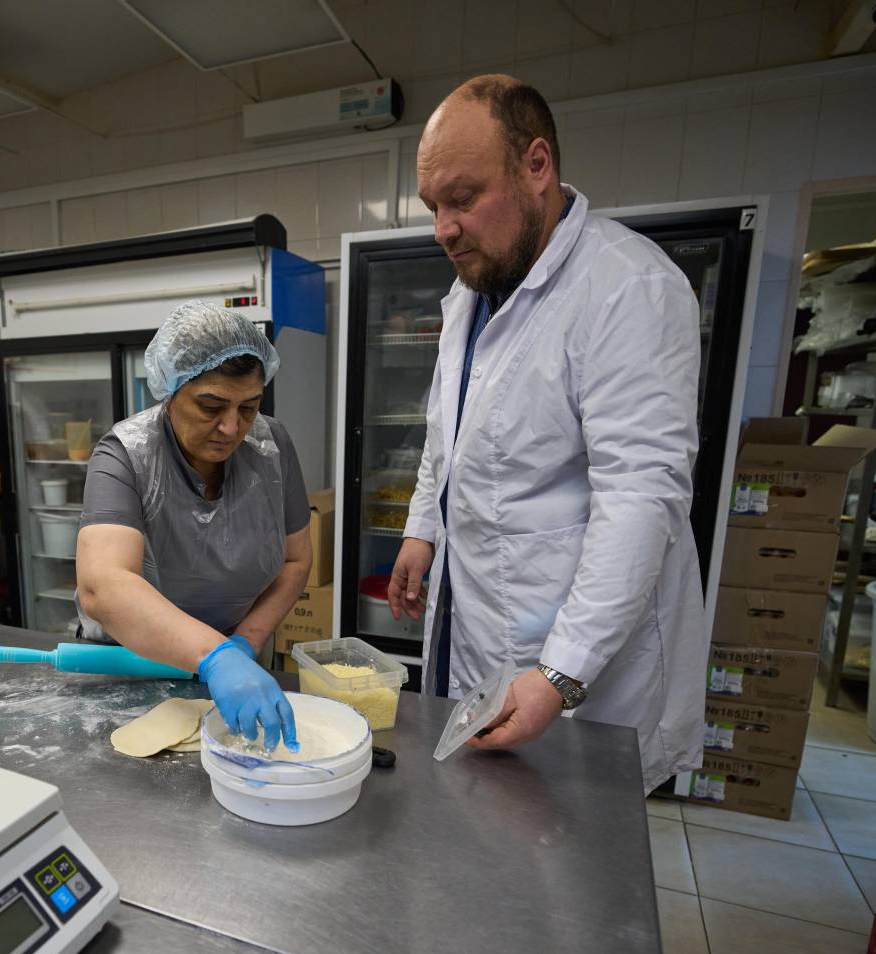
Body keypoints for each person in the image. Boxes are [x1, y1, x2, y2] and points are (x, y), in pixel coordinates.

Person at [388, 75, 706, 792]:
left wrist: (562, 671)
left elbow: (640, 497)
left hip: (583, 666)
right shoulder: (472, 293)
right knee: (493, 837)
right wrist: (420, 529)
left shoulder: (627, 288)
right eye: (434, 206)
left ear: (537, 167)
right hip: (485, 629)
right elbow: (448, 427)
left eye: (463, 199)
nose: (443, 228)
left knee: (579, 872)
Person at [77, 302, 312, 750]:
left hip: (233, 666)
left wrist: (243, 645)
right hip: (132, 667)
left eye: (249, 407)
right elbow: (102, 585)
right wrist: (216, 655)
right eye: (211, 406)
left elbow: (296, 559)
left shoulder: (272, 445)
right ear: (170, 392)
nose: (231, 427)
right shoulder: (125, 455)